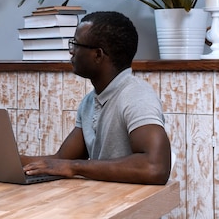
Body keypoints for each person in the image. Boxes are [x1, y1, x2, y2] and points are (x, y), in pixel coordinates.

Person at [22, 11, 172, 185]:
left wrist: (75, 167)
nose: (71, 51)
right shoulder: (89, 101)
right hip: (101, 200)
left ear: (98, 55)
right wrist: (2, 159)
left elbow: (155, 168)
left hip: (129, 208)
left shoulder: (136, 96)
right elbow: (61, 160)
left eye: (75, 44)